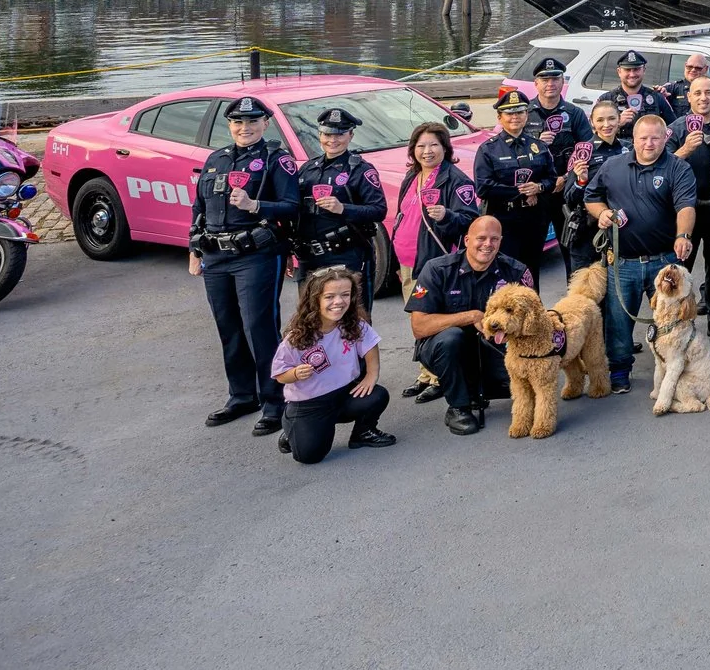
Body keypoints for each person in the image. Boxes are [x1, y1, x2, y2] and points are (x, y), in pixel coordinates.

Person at [191, 95, 299, 435]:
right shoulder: (216, 159)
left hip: (257, 255)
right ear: (229, 125)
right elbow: (199, 208)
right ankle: (241, 395)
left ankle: (275, 401)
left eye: (252, 122)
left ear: (265, 124)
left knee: (260, 329)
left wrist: (256, 205)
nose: (245, 128)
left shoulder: (275, 160)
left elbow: (291, 206)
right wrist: (194, 248)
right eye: (238, 122)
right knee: (230, 328)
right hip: (216, 256)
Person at [585, 114, 698, 395]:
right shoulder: (612, 166)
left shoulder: (678, 167)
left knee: (675, 319)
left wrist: (683, 235)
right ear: (633, 139)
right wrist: (602, 214)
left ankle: (679, 364)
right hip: (623, 262)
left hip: (663, 261)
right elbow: (591, 197)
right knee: (618, 320)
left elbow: (686, 206)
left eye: (655, 137)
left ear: (666, 138)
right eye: (643, 138)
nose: (649, 143)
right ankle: (620, 370)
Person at [406, 215, 535, 435]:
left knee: (513, 383)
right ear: (466, 240)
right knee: (451, 339)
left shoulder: (516, 271)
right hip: (447, 349)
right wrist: (472, 316)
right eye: (481, 238)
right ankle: (459, 408)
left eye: (494, 239)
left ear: (501, 242)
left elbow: (534, 319)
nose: (488, 244)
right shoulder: (437, 269)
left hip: (496, 347)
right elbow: (419, 327)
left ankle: (485, 391)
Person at [393, 122, 482, 400]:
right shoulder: (413, 176)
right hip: (408, 263)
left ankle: (439, 377)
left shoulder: (456, 181)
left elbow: (470, 221)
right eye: (421, 146)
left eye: (433, 145)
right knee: (417, 320)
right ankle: (426, 372)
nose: (427, 151)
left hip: (435, 264)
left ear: (445, 147)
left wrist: (447, 216)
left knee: (434, 321)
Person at [269, 266, 395, 463]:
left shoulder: (354, 324)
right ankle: (292, 429)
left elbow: (370, 344)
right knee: (309, 456)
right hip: (310, 403)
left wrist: (372, 374)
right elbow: (279, 373)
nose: (338, 302)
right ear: (315, 299)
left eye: (345, 295)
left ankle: (363, 433)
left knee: (377, 395)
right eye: (329, 297)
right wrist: (294, 373)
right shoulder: (298, 336)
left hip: (343, 393)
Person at [289, 106, 387, 315]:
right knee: (310, 320)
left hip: (347, 255)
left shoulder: (360, 170)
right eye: (327, 134)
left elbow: (379, 210)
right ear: (319, 134)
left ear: (351, 135)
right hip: (310, 258)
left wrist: (343, 208)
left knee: (354, 322)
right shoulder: (308, 169)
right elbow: (295, 213)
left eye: (340, 134)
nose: (332, 140)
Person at [473, 89, 557, 282]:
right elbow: (483, 187)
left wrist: (539, 187)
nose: (515, 117)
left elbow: (551, 178)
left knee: (531, 270)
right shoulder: (489, 149)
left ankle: (533, 309)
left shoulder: (538, 146)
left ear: (527, 114)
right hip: (504, 220)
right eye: (509, 113)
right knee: (505, 271)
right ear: (499, 117)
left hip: (534, 219)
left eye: (520, 112)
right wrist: (520, 192)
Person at [670, 76, 710, 336]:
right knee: (680, 268)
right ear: (689, 96)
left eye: (709, 92)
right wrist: (685, 149)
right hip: (687, 208)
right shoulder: (677, 127)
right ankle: (677, 322)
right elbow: (663, 164)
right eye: (698, 93)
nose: (704, 98)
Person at [528, 57, 594, 279]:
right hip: (535, 194)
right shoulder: (523, 113)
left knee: (571, 250)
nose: (550, 83)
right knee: (531, 255)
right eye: (544, 79)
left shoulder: (574, 114)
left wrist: (567, 177)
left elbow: (587, 150)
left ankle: (571, 308)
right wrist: (535, 141)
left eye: (555, 78)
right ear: (536, 83)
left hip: (565, 191)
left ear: (562, 82)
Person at [594, 50, 678, 153]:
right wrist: (617, 123)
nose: (632, 74)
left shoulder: (656, 97)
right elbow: (594, 134)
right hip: (616, 154)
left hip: (649, 153)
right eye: (627, 70)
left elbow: (673, 128)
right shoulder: (606, 99)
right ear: (619, 72)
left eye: (636, 69)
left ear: (644, 70)